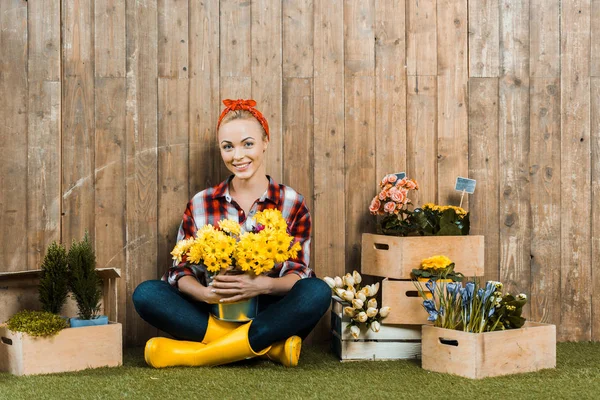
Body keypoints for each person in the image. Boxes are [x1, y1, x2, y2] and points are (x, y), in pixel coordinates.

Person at [132, 98, 331, 368]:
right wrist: (205, 295)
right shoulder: (201, 202)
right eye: (228, 147)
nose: (238, 156)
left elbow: (298, 272)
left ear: (265, 142)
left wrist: (263, 284)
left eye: (247, 144)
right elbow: (181, 271)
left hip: (270, 313)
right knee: (147, 294)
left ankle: (201, 354)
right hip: (212, 312)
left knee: (316, 292)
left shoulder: (292, 202)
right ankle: (269, 350)